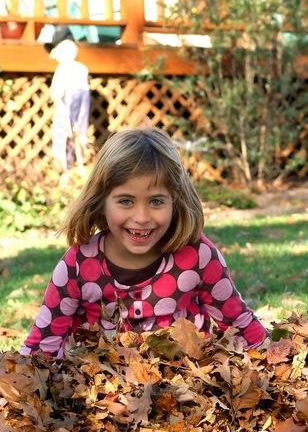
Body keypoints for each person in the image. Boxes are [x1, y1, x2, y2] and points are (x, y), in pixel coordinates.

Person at [20, 119, 268, 358]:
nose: (141, 217)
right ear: (101, 201)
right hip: (99, 394)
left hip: (187, 388)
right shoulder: (77, 264)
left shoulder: (197, 255)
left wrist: (279, 358)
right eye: (126, 201)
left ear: (176, 201)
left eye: (156, 201)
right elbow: (42, 347)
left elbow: (240, 325)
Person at [48, 37, 91, 173]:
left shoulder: (65, 69)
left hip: (69, 102)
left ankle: (70, 164)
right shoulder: (82, 69)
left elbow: (56, 91)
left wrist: (58, 102)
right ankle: (71, 164)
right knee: (74, 131)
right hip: (76, 103)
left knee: (68, 131)